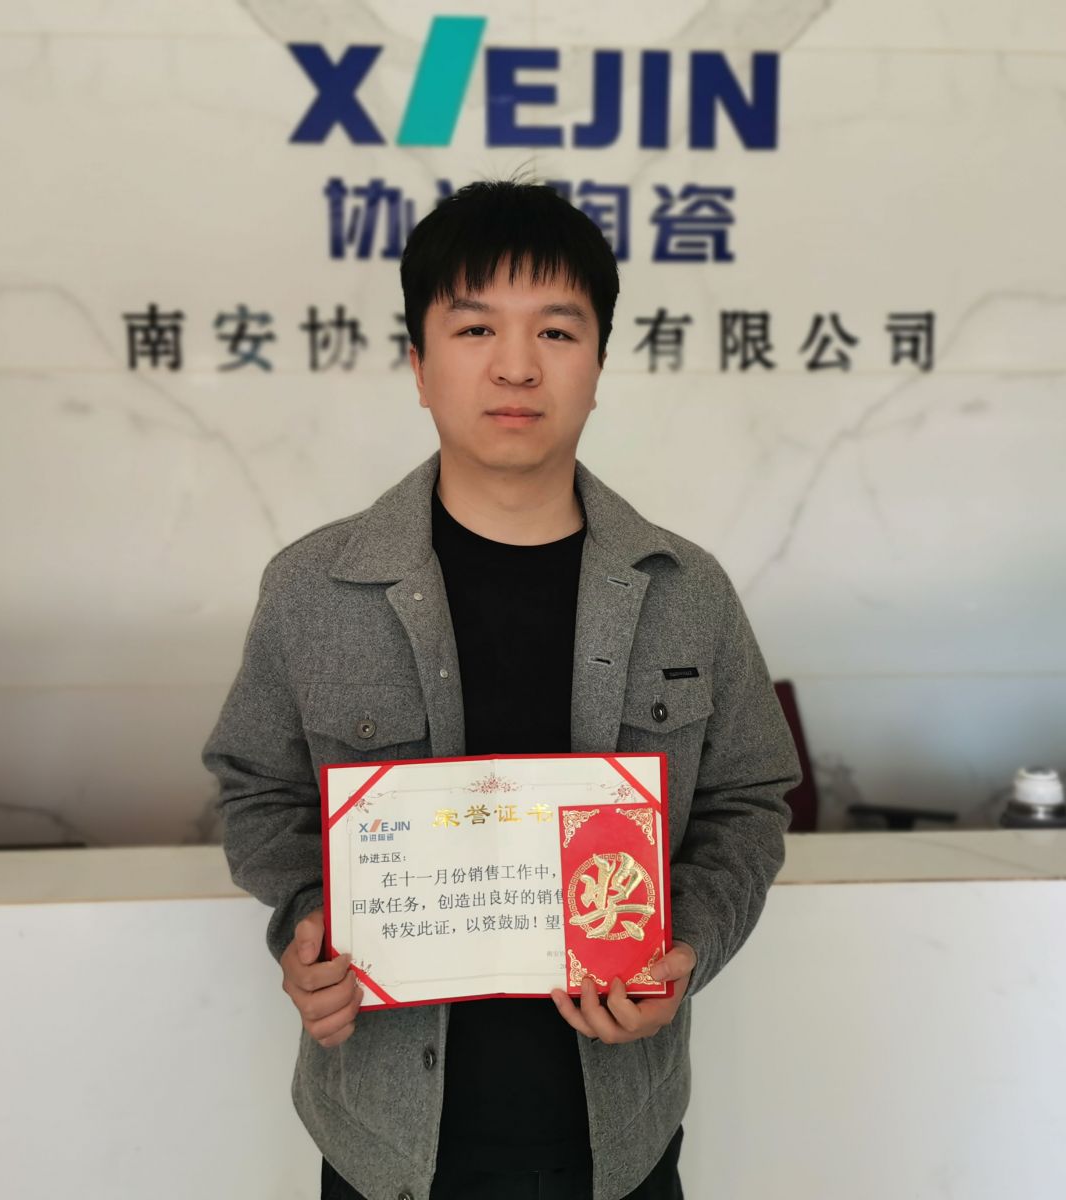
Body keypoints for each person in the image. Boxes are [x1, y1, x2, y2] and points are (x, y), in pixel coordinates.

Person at [202, 178, 801, 1200]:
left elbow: (748, 799)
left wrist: (686, 944)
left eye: (557, 332)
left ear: (599, 365)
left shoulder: (686, 590)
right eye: (475, 327)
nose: (517, 365)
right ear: (418, 365)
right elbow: (257, 788)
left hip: (619, 1142)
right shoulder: (313, 588)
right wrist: (307, 922)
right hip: (386, 1144)